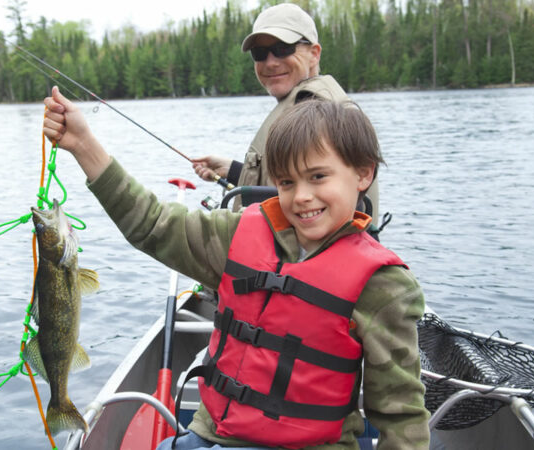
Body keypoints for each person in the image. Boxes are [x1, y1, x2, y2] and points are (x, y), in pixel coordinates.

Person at [43, 86, 430, 449]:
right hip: (213, 437)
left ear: (363, 173)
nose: (302, 197)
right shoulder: (237, 234)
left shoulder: (384, 285)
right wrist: (82, 145)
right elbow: (152, 224)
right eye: (286, 182)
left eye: (318, 177)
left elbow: (400, 413)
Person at [191, 3, 380, 224]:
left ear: (314, 54)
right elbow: (299, 183)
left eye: (283, 49)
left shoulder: (318, 113)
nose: (270, 62)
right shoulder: (301, 104)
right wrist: (234, 171)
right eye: (259, 53)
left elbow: (310, 207)